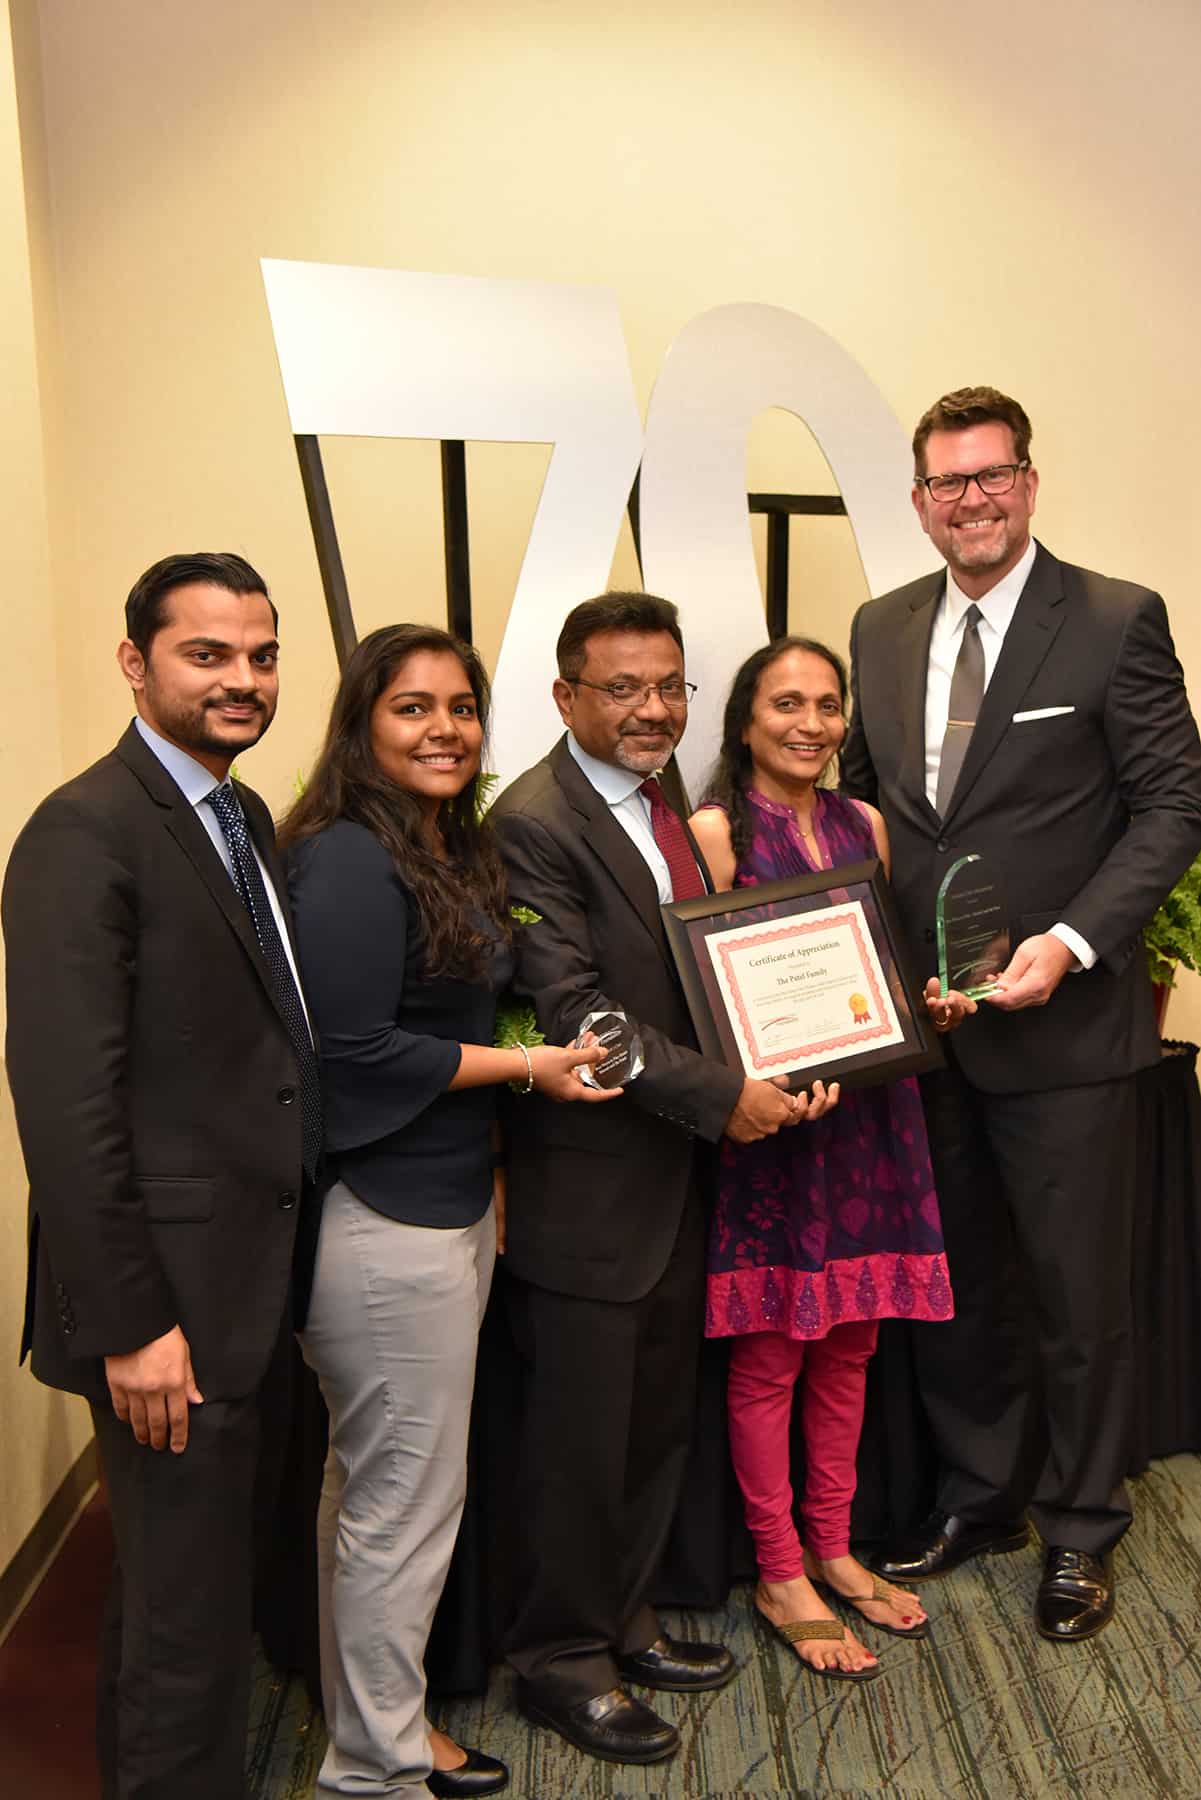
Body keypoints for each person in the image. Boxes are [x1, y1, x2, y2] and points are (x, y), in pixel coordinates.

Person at [842, 385, 1201, 1641]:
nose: (972, 500)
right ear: (920, 503)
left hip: (1066, 1034)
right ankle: (983, 1497)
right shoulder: (877, 630)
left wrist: (1066, 943)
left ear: (1029, 483)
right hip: (927, 1035)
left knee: (1075, 1294)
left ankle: (1084, 1526)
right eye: (948, 483)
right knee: (963, 1287)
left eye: (992, 476)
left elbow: (1171, 808)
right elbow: (864, 818)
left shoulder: (1112, 621)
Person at [491, 591, 837, 1767]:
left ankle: (624, 1617)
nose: (652, 709)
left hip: (676, 1180)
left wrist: (794, 1058)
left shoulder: (666, 812)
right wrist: (721, 1094)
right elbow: (580, 1013)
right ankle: (558, 1662)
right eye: (623, 688)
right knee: (577, 1440)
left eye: (669, 686)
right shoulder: (531, 821)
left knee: (646, 1426)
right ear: (565, 696)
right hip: (589, 1190)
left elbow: (707, 970)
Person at [3, 553, 318, 1799]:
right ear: (136, 663)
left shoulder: (237, 815)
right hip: (167, 1312)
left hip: (246, 1286)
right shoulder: (85, 832)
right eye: (207, 655)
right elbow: (67, 1111)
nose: (242, 681)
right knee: (187, 1640)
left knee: (180, 1608)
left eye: (261, 654)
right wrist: (134, 1324)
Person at [280, 624, 614, 1800]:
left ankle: (381, 1730)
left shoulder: (437, 847)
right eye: (412, 708)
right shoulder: (349, 861)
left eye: (461, 708)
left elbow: (469, 1018)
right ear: (363, 723)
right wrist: (532, 1070)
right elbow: (355, 1052)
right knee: (400, 1509)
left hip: (447, 1203)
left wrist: (507, 1145)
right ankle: (376, 1770)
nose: (444, 730)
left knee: (378, 1499)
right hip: (384, 1222)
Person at [690, 636, 968, 1680]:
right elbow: (700, 992)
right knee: (771, 1354)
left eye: (825, 705)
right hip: (776, 1130)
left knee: (850, 1344)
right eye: (785, 705)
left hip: (871, 1118)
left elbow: (882, 963)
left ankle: (835, 1547)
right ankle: (777, 1569)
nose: (809, 724)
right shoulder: (715, 832)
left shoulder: (866, 826)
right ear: (746, 720)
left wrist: (918, 1004)